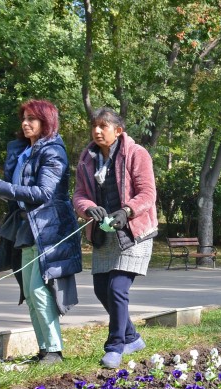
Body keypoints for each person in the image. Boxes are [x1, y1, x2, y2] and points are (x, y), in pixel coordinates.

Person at [0, 99, 81, 365]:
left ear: (46, 122)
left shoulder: (53, 151)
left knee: (39, 290)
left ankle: (55, 351)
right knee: (29, 292)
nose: (25, 123)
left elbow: (44, 194)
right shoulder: (25, 150)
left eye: (32, 119)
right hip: (25, 226)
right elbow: (16, 190)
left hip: (47, 228)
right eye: (24, 118)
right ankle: (44, 350)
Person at [73, 107, 158, 369]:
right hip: (104, 235)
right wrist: (88, 207)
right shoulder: (87, 159)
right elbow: (77, 195)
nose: (97, 131)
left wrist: (126, 210)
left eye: (103, 126)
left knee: (117, 288)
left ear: (118, 130)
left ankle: (115, 347)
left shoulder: (137, 153)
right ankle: (132, 337)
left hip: (134, 233)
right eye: (94, 126)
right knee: (101, 290)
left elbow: (147, 194)